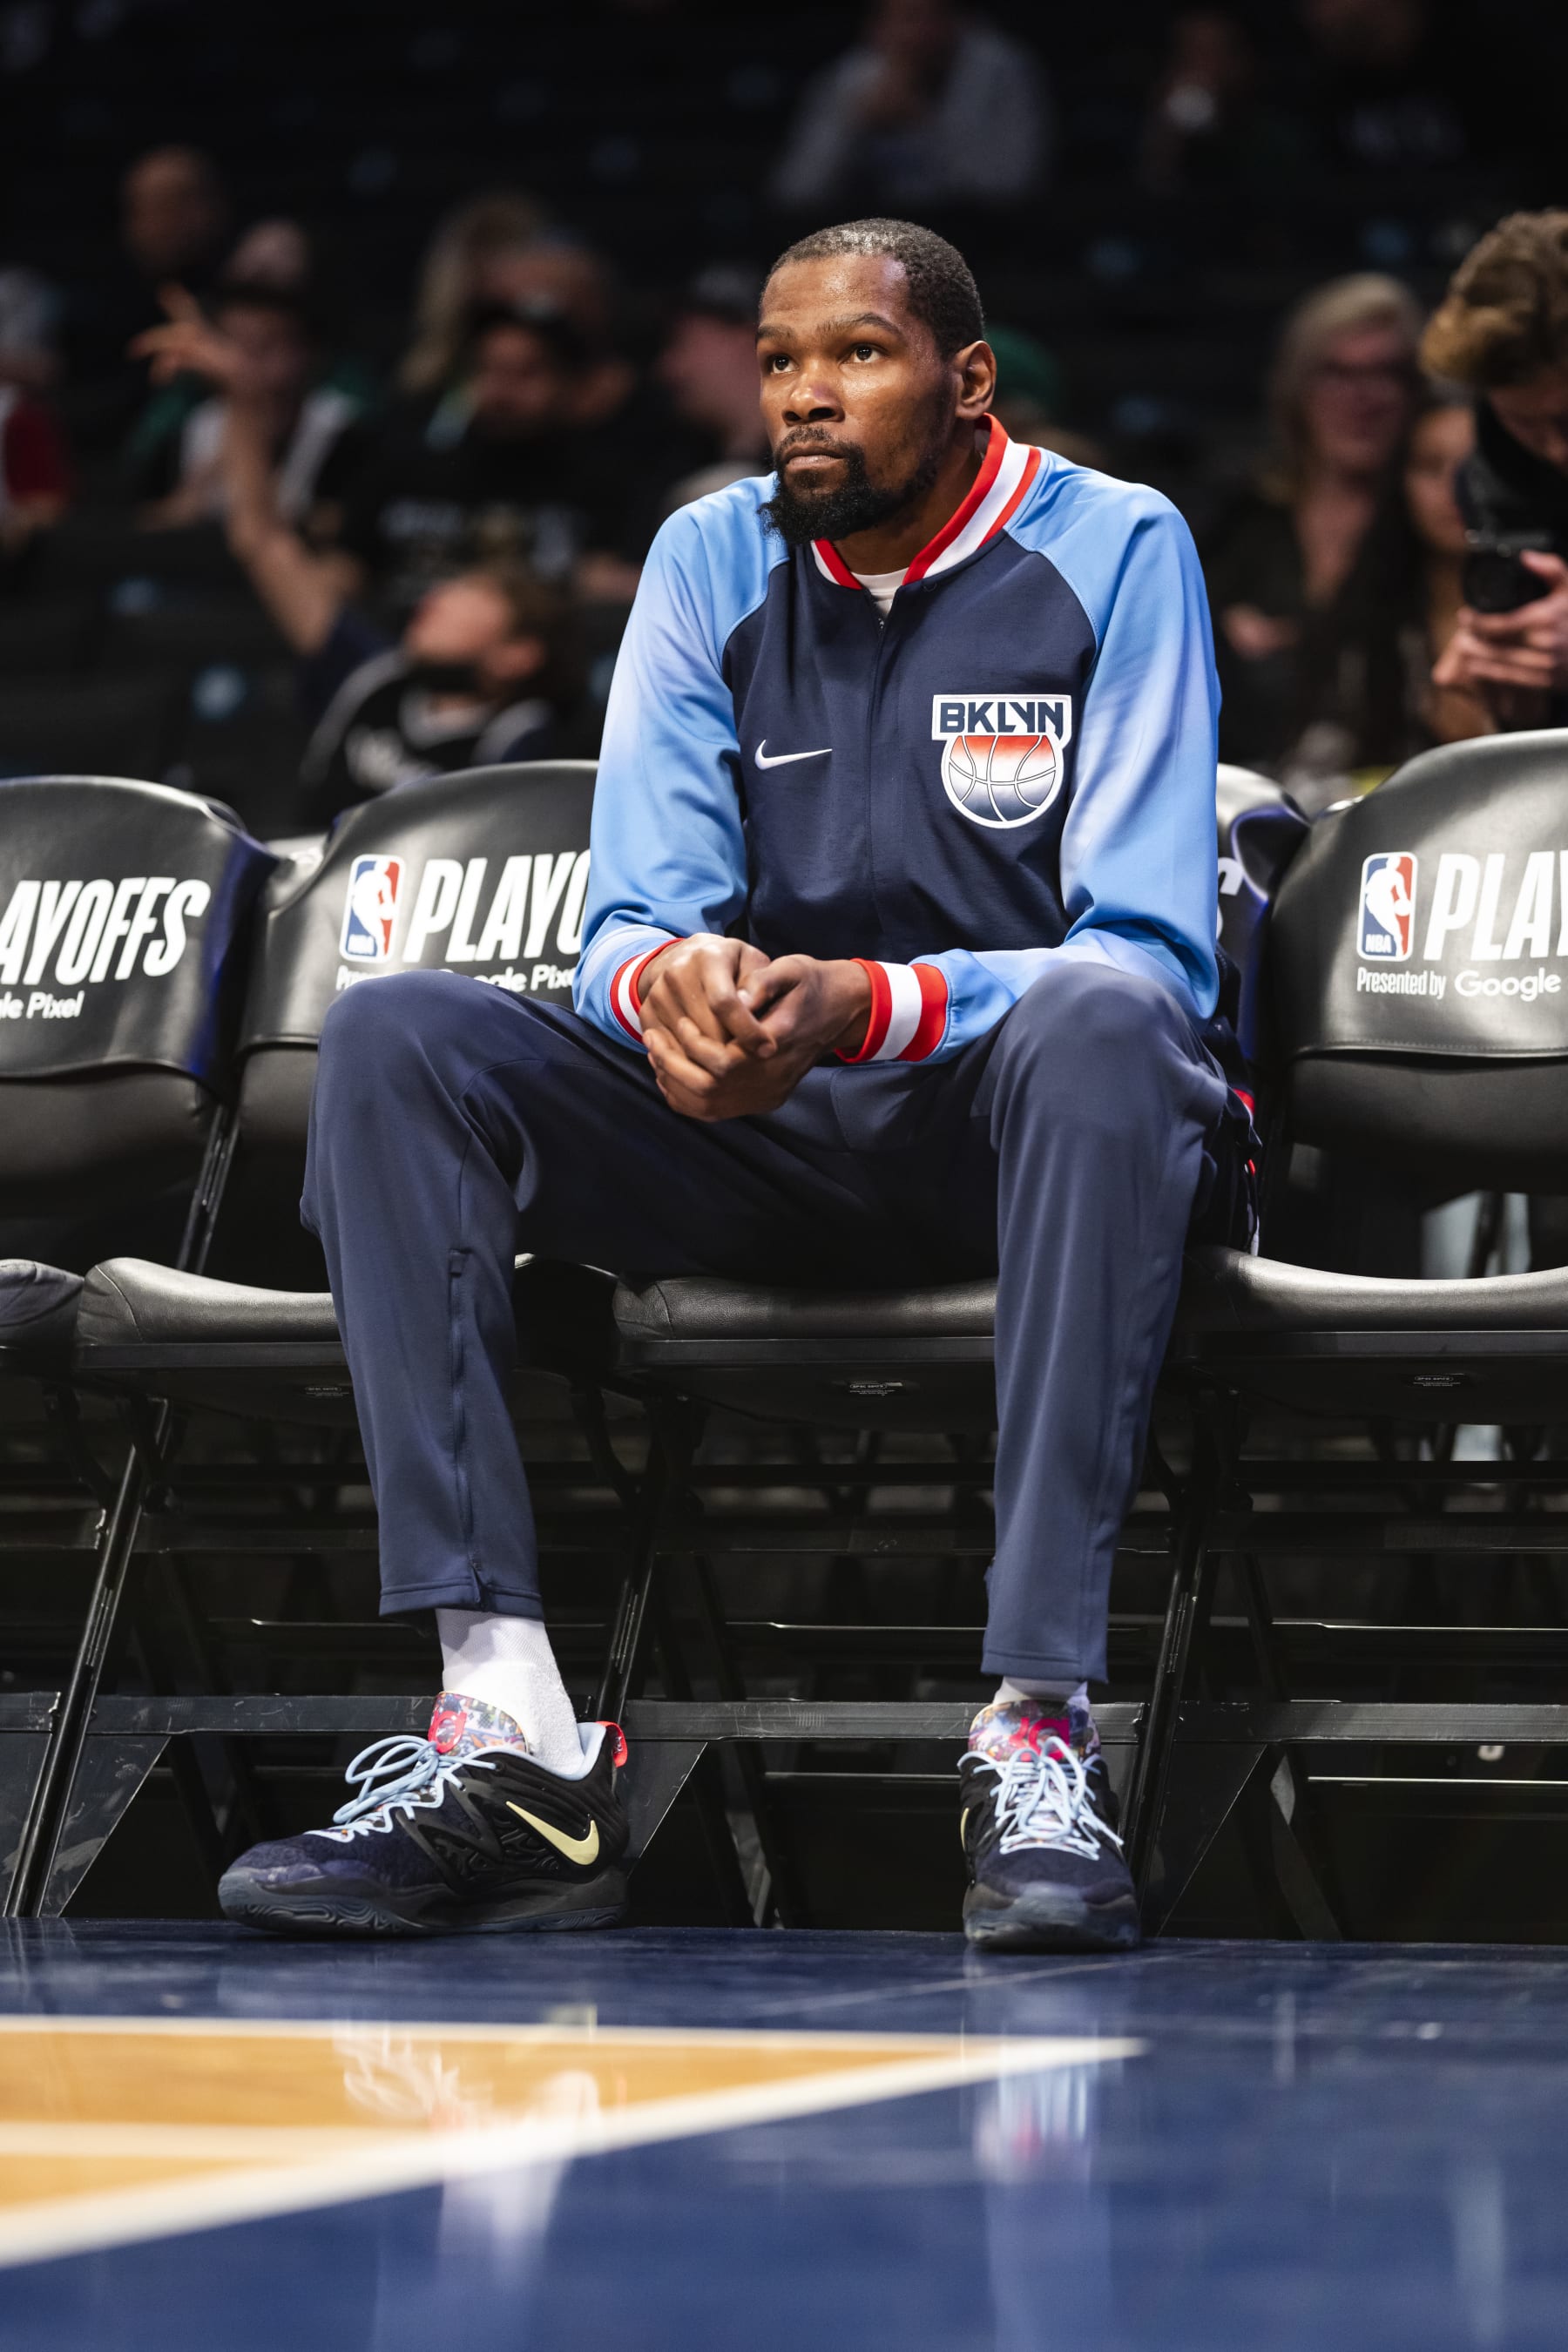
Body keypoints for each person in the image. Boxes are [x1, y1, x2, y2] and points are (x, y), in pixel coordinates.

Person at [216, 216, 1246, 1955]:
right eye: (779, 361)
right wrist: (672, 987)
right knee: (397, 1035)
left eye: (855, 355)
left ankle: (1039, 1729)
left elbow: (1149, 954)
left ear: (966, 380)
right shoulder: (710, 557)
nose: (804, 398)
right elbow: (633, 910)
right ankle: (509, 1730)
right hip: (778, 1125)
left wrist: (878, 1003)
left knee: (1100, 1029)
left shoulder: (1118, 545)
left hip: (1029, 1130)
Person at [219, 395, 574, 818]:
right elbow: (260, 542)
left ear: (519, 654)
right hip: (310, 874)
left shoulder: (520, 742)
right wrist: (240, 399)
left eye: (472, 594)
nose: (435, 598)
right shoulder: (370, 675)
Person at [1202, 273, 1422, 794]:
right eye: (1337, 373)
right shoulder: (1238, 522)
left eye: (1385, 373)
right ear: (1298, 388)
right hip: (1242, 812)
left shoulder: (1438, 529)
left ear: (1416, 390)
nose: (1362, 398)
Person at [332, 300, 648, 615]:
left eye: (527, 373)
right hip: (400, 643)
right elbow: (346, 570)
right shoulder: (402, 466)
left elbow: (611, 583)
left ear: (569, 384)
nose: (502, 391)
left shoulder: (603, 482)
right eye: (489, 369)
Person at [1420, 212, 1568, 727]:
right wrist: (1508, 688)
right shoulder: (1490, 476)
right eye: (1525, 423)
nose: (1556, 453)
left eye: (1567, 422)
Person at [126, 280, 370, 531]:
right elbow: (141, 526)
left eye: (262, 347)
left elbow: (337, 533)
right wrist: (190, 498)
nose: (239, 364)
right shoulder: (198, 426)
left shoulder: (345, 435)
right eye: (230, 345)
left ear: (305, 352)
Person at [771, 0, 1051, 215]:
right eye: (902, 20)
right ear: (876, 29)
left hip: (983, 239)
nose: (914, 35)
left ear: (958, 23)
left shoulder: (998, 70)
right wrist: (851, 128)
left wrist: (923, 123)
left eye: (927, 18)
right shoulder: (854, 76)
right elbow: (796, 191)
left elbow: (1008, 186)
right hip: (875, 246)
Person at [1396, 394, 1492, 747]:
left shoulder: (1552, 616)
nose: (1455, 489)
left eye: (1475, 466)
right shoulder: (1366, 621)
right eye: (1431, 466)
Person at [654, 267, 769, 510]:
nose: (670, 368)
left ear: (748, 338)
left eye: (683, 343)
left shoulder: (816, 462)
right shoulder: (674, 462)